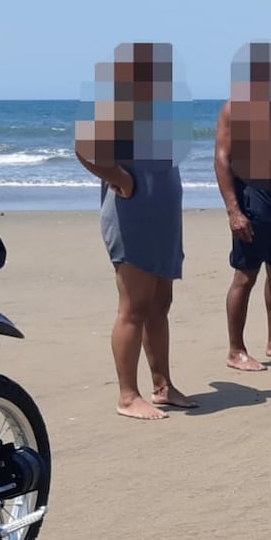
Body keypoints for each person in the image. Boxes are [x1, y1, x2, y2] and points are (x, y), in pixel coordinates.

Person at [75, 42, 197, 419]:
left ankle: (162, 385)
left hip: (162, 217)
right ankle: (128, 396)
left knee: (160, 302)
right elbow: (83, 147)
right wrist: (119, 179)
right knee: (134, 307)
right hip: (132, 217)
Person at [214, 41, 271, 371]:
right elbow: (222, 160)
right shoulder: (234, 109)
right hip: (254, 198)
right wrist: (234, 211)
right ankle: (235, 350)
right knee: (245, 276)